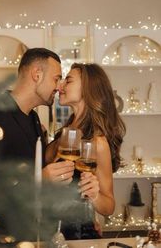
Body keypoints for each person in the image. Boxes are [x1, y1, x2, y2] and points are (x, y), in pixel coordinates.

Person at [45, 63, 126, 239]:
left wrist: (95, 195)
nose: (60, 86)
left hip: (78, 236)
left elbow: (109, 206)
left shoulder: (97, 142)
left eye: (68, 80)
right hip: (51, 233)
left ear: (87, 89)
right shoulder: (65, 133)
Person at [0, 47, 74, 174]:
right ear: (37, 75)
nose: (58, 87)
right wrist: (41, 181)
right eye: (56, 79)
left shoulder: (34, 118)